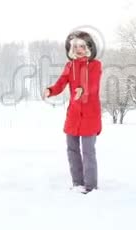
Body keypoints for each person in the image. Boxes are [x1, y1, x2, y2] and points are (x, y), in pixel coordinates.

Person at [43, 30, 102, 194]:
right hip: (74, 116)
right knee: (72, 150)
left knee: (88, 151)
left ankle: (90, 187)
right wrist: (50, 90)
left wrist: (82, 90)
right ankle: (78, 183)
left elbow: (93, 84)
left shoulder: (96, 65)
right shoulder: (70, 66)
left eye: (82, 46)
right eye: (75, 46)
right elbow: (61, 83)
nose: (78, 49)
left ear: (89, 47)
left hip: (90, 116)